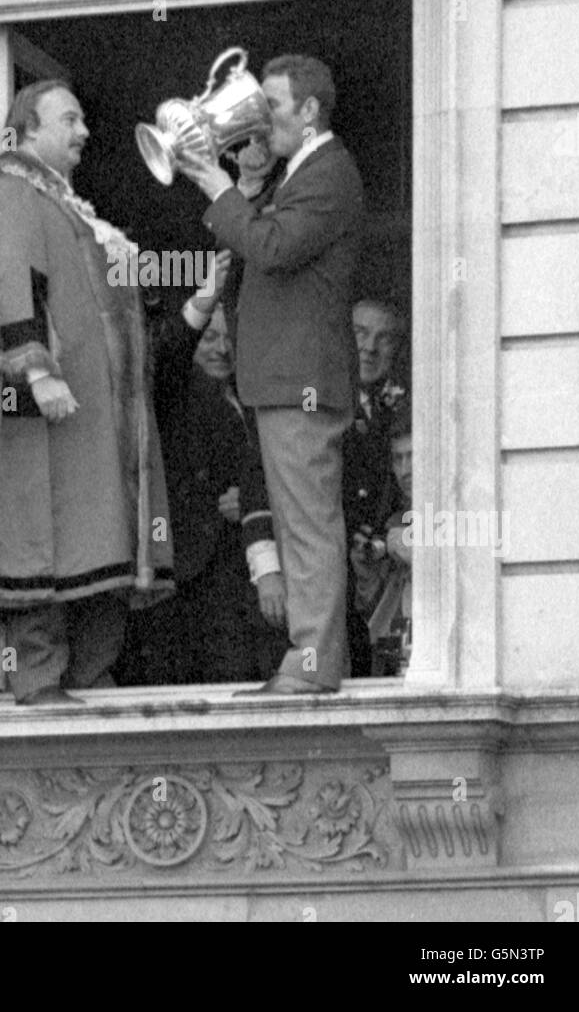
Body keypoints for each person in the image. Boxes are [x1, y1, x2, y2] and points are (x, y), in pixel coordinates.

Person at [0, 79, 172, 705]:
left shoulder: (64, 203)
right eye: (70, 120)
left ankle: (89, 675)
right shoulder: (12, 193)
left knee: (98, 544)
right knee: (40, 537)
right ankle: (38, 679)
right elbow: (7, 281)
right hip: (39, 412)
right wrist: (38, 374)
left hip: (93, 421)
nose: (84, 132)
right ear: (29, 130)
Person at [180, 53, 364, 695]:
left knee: (309, 527)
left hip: (300, 380)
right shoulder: (305, 172)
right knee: (300, 524)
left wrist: (213, 181)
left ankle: (312, 664)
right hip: (287, 381)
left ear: (310, 111)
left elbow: (271, 247)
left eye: (275, 107)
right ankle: (306, 659)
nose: (265, 121)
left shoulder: (328, 172)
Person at [120, 296, 286, 685]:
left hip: (242, 573)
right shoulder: (171, 389)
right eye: (209, 337)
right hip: (184, 573)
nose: (222, 349)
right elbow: (171, 352)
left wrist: (251, 504)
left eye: (230, 339)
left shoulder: (253, 397)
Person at [343, 298, 408, 675]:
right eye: (360, 333)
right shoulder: (318, 400)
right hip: (335, 571)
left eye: (384, 339)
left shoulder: (401, 408)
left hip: (389, 573)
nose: (369, 347)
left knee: (386, 670)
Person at [349, 402, 413, 675]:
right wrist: (365, 571)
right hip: (394, 651)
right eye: (398, 459)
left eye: (412, 456)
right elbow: (373, 609)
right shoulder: (394, 519)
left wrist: (393, 542)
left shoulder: (458, 509)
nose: (405, 469)